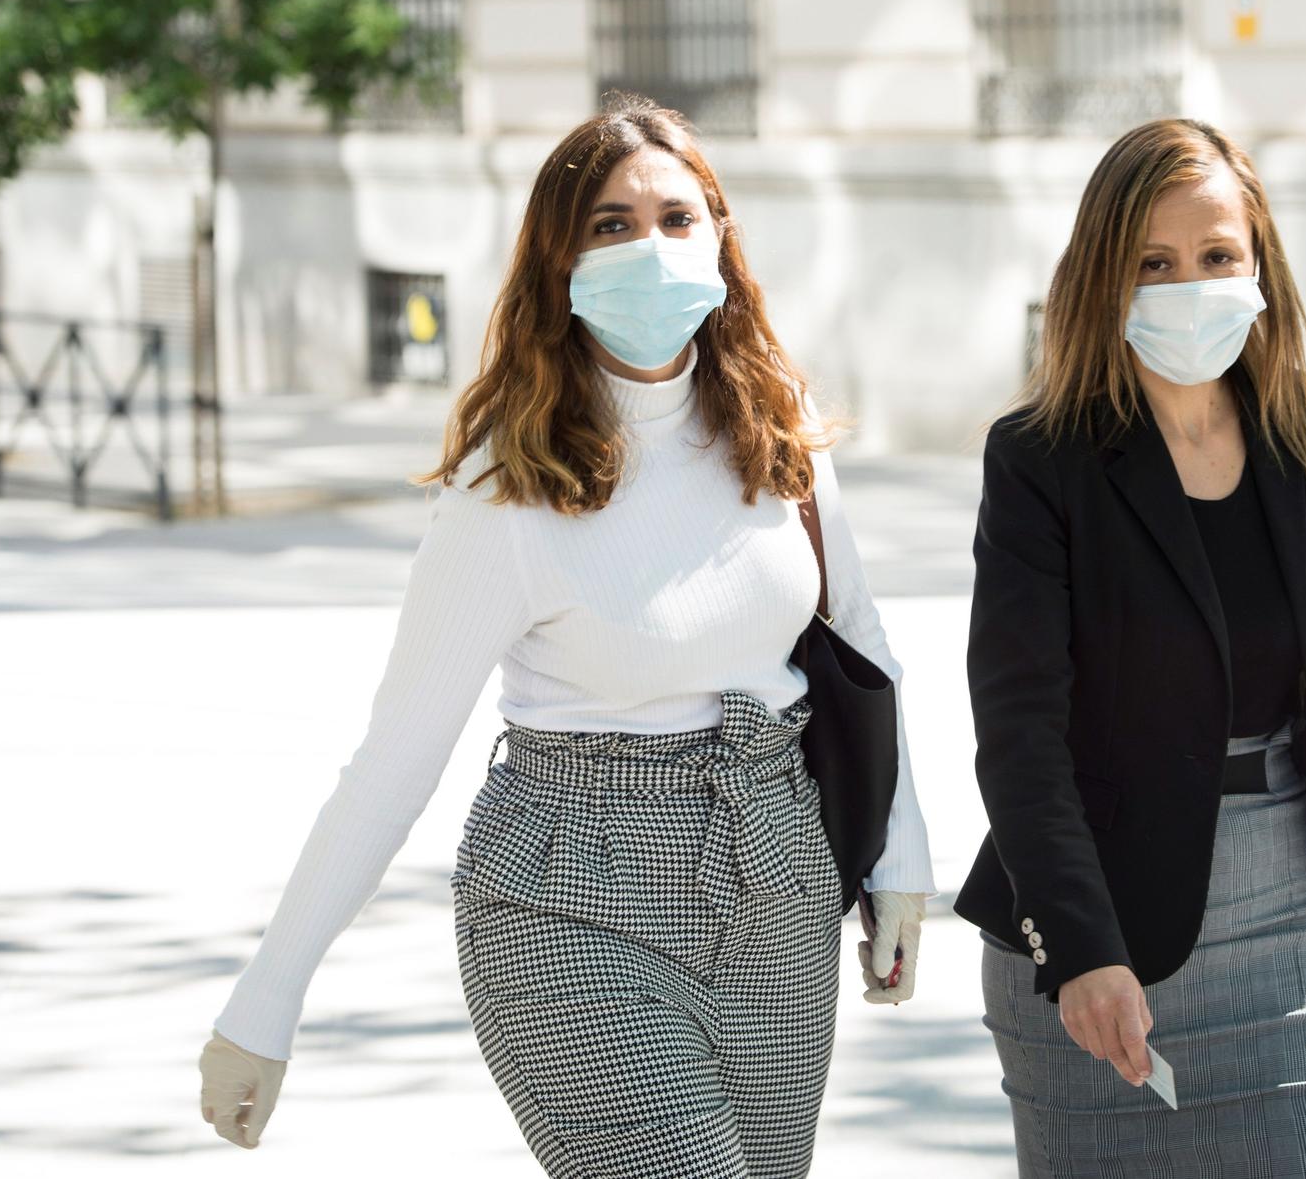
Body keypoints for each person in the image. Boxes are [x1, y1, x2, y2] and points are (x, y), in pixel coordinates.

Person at [195, 94, 936, 1177]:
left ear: (721, 240)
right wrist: (266, 999)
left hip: (779, 875)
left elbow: (855, 635)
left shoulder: (775, 431)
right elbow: (393, 761)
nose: (651, 246)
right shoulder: (505, 493)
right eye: (611, 224)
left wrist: (898, 855)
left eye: (677, 219)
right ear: (560, 264)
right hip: (568, 893)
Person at [955, 117, 1306, 1177]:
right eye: (1151, 263)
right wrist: (1083, 945)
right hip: (1099, 921)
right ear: (1101, 277)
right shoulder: (1038, 460)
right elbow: (1019, 734)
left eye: (1213, 257)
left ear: (1257, 267)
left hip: (1289, 900)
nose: (1186, 285)